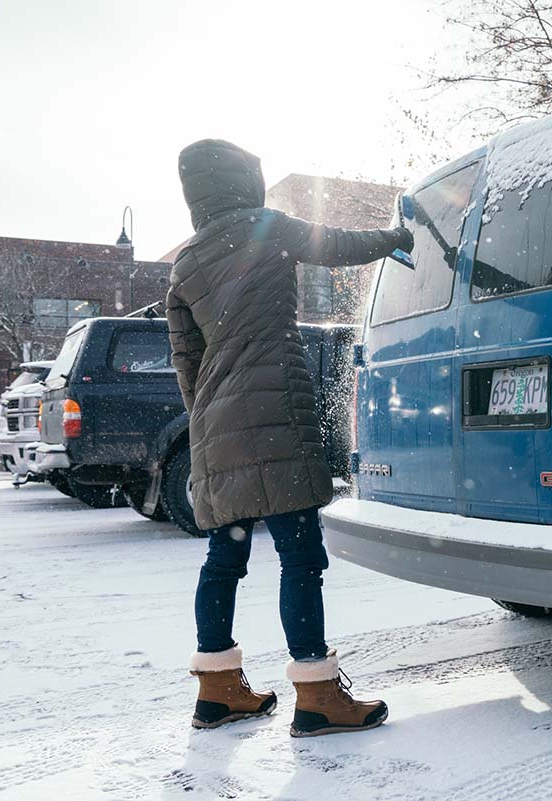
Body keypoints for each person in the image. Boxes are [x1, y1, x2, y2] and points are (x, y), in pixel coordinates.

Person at [166, 139, 413, 737]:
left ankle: (218, 691)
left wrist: (210, 425)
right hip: (276, 406)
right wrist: (395, 238)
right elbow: (338, 246)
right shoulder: (265, 226)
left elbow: (185, 361)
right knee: (300, 555)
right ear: (242, 183)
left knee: (224, 556)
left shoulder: (186, 262)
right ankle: (317, 694)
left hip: (214, 422)